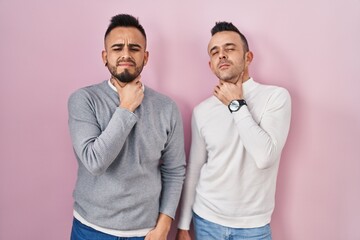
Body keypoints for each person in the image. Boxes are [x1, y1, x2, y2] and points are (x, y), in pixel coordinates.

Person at [68, 14, 186, 240]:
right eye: (117, 48)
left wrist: (164, 225)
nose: (125, 54)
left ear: (146, 56)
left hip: (146, 233)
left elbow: (174, 170)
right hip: (90, 228)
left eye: (134, 48)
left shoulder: (167, 107)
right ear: (105, 56)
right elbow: (94, 162)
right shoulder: (84, 100)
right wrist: (126, 107)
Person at [176, 21, 291, 240]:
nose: (222, 55)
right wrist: (183, 225)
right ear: (210, 65)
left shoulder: (275, 97)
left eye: (230, 49)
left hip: (253, 227)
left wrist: (236, 104)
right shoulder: (202, 111)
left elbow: (264, 157)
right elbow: (195, 168)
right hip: (206, 219)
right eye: (215, 51)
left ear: (248, 57)